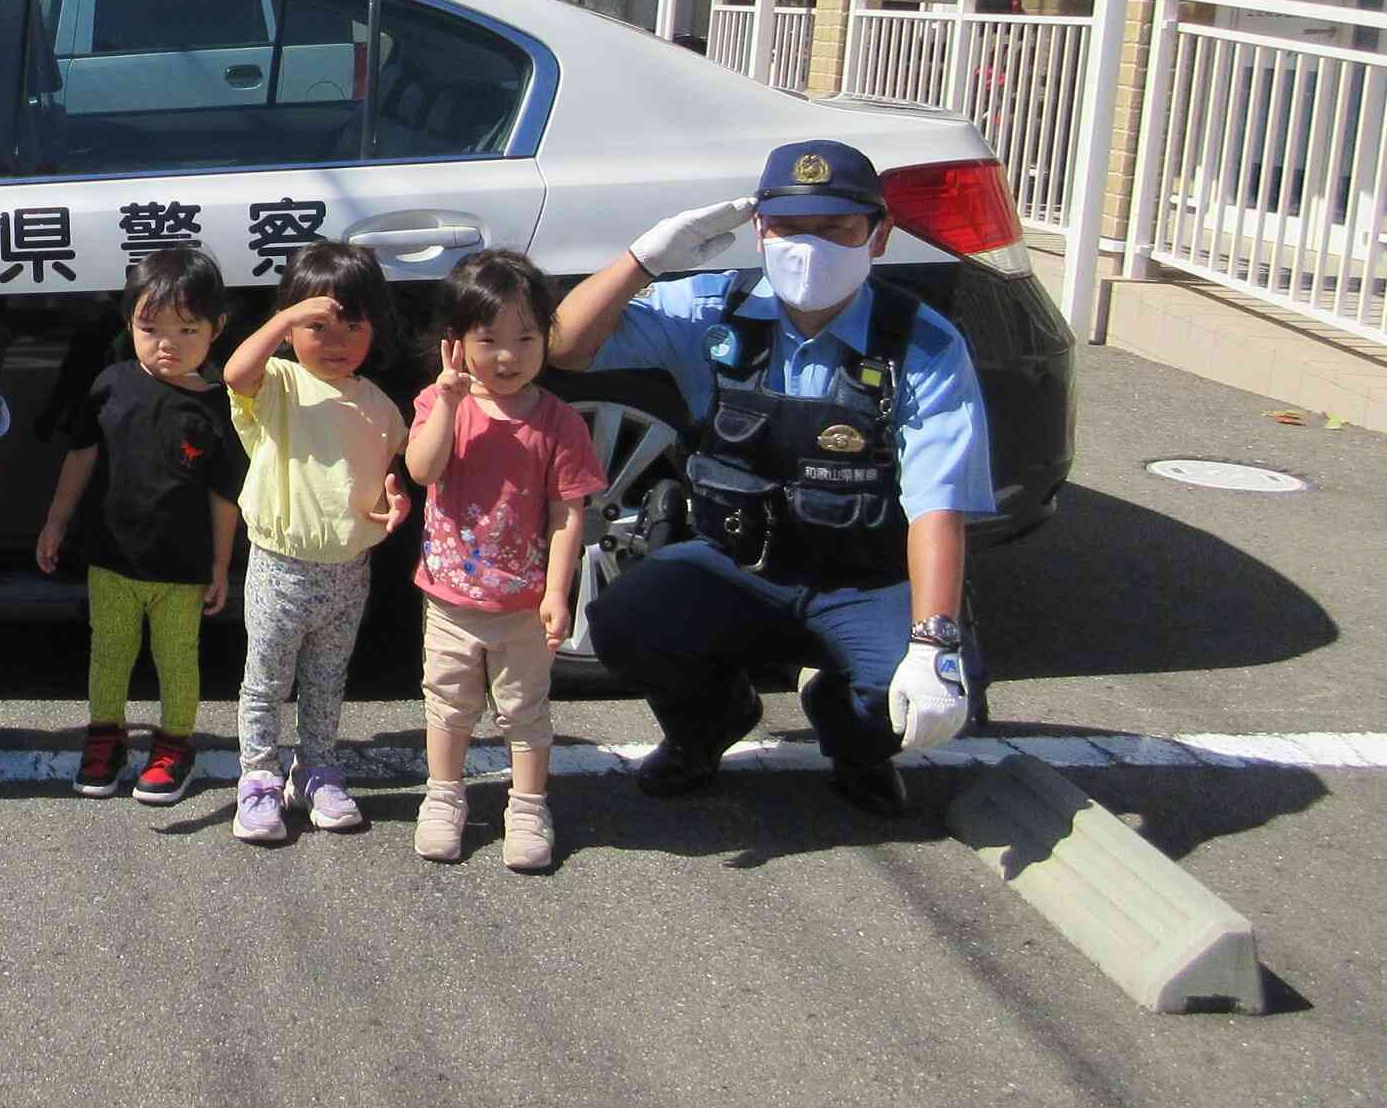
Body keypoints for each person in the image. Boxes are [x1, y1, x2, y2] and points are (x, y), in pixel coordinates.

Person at [550, 141, 992, 819]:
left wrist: (933, 638)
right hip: (737, 565)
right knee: (624, 623)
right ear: (758, 230)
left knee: (934, 684)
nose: (807, 248)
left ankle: (851, 738)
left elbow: (938, 502)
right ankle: (708, 726)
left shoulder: (920, 344)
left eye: (834, 230)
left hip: (864, 578)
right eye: (788, 228)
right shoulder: (710, 310)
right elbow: (565, 347)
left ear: (877, 237)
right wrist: (642, 260)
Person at [400, 250, 605, 872]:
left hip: (522, 605)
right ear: (455, 344)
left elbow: (568, 512)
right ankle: (443, 797)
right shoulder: (439, 405)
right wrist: (449, 399)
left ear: (547, 338)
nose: (508, 356)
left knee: (523, 708)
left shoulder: (559, 422)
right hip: (449, 599)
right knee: (447, 702)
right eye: (488, 340)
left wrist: (557, 591)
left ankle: (528, 804)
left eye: (526, 338)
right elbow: (421, 470)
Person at [34, 247, 247, 806]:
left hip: (182, 568)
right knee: (109, 652)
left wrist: (222, 565)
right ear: (128, 323)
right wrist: (56, 521)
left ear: (216, 329)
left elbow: (226, 497)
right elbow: (80, 455)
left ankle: (175, 744)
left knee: (177, 659)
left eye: (187, 329)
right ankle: (106, 736)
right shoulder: (111, 384)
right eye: (149, 328)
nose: (166, 344)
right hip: (110, 558)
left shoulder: (221, 407)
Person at [222, 241, 412, 845]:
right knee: (266, 681)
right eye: (317, 326)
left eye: (351, 326)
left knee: (328, 679)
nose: (334, 340)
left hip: (349, 569)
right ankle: (256, 777)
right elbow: (233, 373)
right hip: (279, 566)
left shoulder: (379, 404)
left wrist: (396, 501)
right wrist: (281, 322)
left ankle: (317, 768)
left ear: (373, 329)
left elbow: (390, 475)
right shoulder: (278, 382)